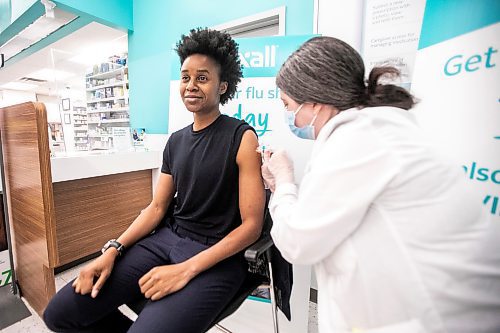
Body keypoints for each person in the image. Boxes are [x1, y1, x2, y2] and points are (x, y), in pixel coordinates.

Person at [261, 36, 500, 333]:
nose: (288, 116)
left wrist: (283, 181)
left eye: (287, 105)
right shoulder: (371, 129)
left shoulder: (360, 139)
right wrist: (279, 188)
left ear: (314, 103)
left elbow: (299, 242)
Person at [43, 28, 265, 333]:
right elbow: (157, 208)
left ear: (223, 86)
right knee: (59, 313)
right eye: (186, 77)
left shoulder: (242, 137)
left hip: (214, 253)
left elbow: (251, 226)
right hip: (165, 240)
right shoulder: (175, 142)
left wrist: (185, 270)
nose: (191, 85)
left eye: (203, 78)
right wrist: (111, 250)